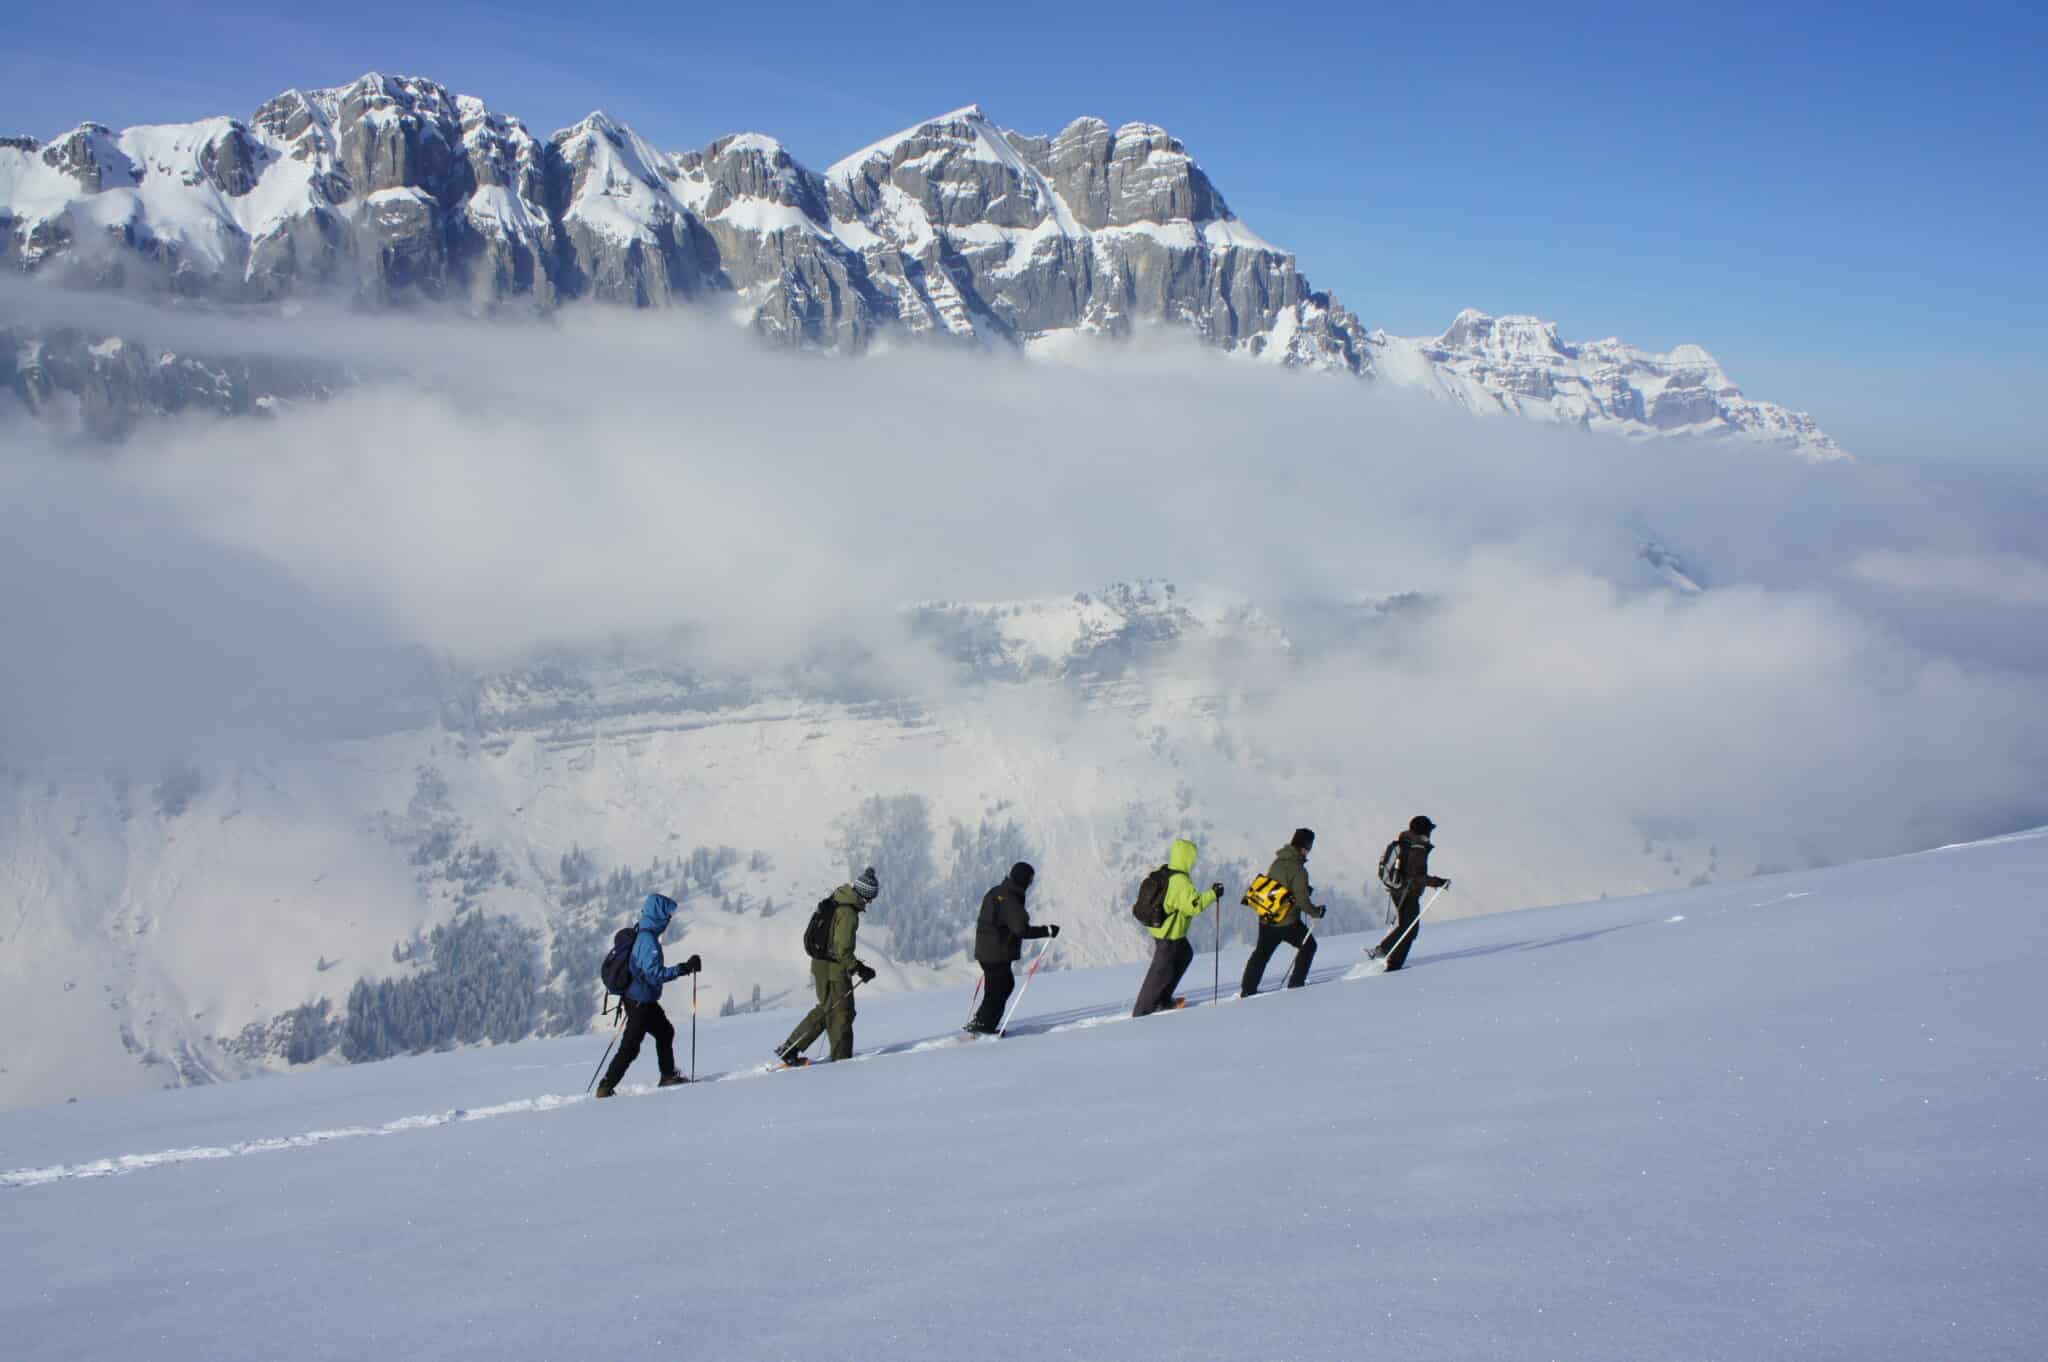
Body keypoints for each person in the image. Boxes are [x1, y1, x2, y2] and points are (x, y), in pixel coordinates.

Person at [595, 893, 701, 1098]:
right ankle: (606, 1087)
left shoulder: (640, 931)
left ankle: (668, 1075)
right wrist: (684, 968)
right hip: (640, 1003)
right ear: (659, 915)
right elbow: (654, 975)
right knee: (630, 1047)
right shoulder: (648, 940)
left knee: (665, 1032)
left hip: (641, 1000)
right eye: (667, 914)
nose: (670, 919)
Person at [775, 867, 880, 1065]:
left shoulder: (837, 900)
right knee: (842, 1014)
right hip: (834, 972)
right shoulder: (848, 913)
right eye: (870, 898)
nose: (870, 902)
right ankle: (842, 1062)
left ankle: (790, 1047)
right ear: (865, 895)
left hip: (821, 966)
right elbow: (842, 950)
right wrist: (859, 968)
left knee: (826, 1009)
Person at [966, 862, 1059, 1035]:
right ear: (1024, 879)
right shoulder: (1009, 898)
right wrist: (1047, 931)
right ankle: (983, 1027)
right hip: (997, 952)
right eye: (1030, 879)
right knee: (1001, 987)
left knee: (998, 986)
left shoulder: (997, 891)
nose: (1031, 883)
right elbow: (1021, 929)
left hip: (988, 950)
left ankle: (982, 1023)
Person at [1132, 838, 1221, 1017]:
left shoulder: (1164, 871)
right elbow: (1194, 906)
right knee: (1159, 972)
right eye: (1192, 858)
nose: (1193, 862)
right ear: (1186, 858)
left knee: (1184, 954)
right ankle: (1142, 1012)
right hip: (1169, 934)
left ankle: (1163, 999)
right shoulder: (1180, 882)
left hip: (1162, 930)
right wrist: (1213, 894)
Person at [1240, 827, 1324, 996]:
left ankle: (1247, 990)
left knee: (1261, 954)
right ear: (1304, 847)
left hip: (1266, 918)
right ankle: (1296, 984)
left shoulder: (1277, 862)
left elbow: (1278, 888)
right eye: (1309, 847)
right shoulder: (1299, 870)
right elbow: (1302, 901)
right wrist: (1316, 912)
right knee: (1309, 946)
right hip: (1286, 922)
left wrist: (1301, 890)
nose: (1308, 852)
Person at [1371, 816, 1450, 972]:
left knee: (1409, 929)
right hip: (1408, 892)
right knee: (1408, 928)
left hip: (1399, 890)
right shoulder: (1417, 848)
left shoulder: (1407, 843)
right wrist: (1439, 882)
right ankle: (1385, 953)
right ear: (1424, 831)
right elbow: (1417, 876)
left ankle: (1393, 962)